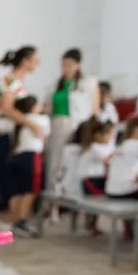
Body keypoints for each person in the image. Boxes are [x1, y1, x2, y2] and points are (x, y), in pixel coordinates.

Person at [44, 49, 99, 218]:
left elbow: (94, 109)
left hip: (77, 127)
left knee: (74, 165)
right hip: (57, 126)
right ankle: (51, 206)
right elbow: (48, 107)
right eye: (63, 65)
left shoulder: (88, 83)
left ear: (78, 65)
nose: (65, 68)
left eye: (69, 64)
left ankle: (78, 207)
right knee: (54, 165)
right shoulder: (55, 85)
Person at [0, 46, 41, 224]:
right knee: (9, 175)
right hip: (8, 133)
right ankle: (9, 214)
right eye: (35, 60)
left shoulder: (14, 82)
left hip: (13, 133)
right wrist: (32, 123)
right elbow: (7, 108)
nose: (38, 63)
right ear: (25, 61)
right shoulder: (11, 81)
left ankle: (15, 214)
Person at [5, 95, 50, 237]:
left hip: (16, 157)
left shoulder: (18, 122)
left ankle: (13, 222)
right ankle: (22, 222)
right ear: (32, 107)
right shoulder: (41, 119)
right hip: (31, 157)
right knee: (30, 191)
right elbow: (44, 134)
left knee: (17, 192)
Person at [76, 118, 117, 196]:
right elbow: (109, 158)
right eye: (109, 134)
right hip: (92, 180)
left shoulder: (107, 147)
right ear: (98, 135)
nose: (111, 137)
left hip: (101, 178)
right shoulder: (94, 147)